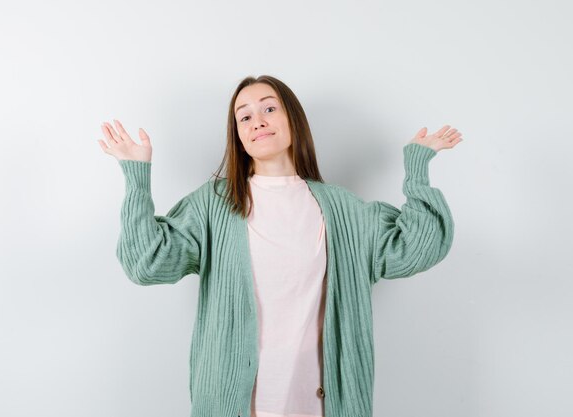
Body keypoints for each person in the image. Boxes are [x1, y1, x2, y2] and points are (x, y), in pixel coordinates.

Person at [98, 75, 461, 417]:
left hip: (321, 405)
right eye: (244, 117)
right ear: (237, 134)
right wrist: (136, 177)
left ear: (293, 120)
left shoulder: (343, 209)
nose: (257, 121)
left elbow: (418, 247)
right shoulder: (213, 204)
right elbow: (146, 263)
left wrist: (418, 168)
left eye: (269, 108)